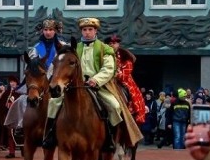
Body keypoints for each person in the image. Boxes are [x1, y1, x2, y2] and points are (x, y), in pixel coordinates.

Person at [43, 17, 139, 152]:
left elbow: (109, 68)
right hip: (76, 85)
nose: (87, 32)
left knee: (115, 106)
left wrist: (96, 80)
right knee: (53, 102)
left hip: (98, 86)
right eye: (84, 30)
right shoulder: (75, 48)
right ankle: (50, 135)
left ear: (95, 31)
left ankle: (110, 139)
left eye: (90, 29)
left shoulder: (105, 48)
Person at [106, 35, 146, 126]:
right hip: (105, 80)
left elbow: (124, 74)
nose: (112, 45)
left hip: (123, 81)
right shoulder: (104, 54)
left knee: (131, 94)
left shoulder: (125, 56)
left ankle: (131, 113)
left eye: (114, 43)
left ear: (118, 44)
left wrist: (113, 74)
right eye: (110, 43)